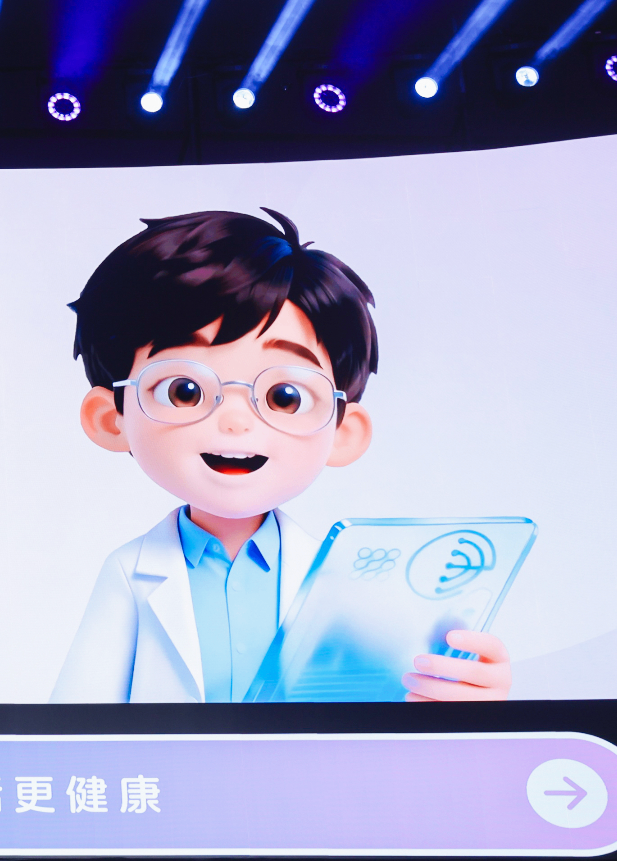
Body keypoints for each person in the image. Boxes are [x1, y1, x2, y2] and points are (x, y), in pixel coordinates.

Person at [51, 209, 510, 703]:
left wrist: (463, 697)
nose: (234, 421)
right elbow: (80, 709)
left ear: (344, 431)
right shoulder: (130, 573)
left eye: (284, 397)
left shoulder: (342, 581)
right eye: (184, 391)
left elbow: (387, 696)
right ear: (110, 417)